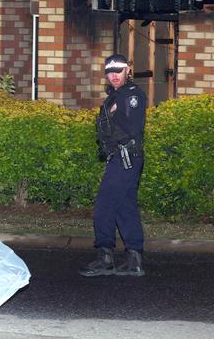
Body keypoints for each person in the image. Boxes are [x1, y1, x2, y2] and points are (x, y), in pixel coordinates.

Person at [79, 54, 147, 277]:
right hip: (119, 157)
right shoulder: (115, 97)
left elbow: (134, 127)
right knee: (125, 207)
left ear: (128, 70)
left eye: (118, 70)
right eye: (110, 72)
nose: (114, 75)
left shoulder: (132, 94)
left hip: (126, 157)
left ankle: (105, 257)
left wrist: (116, 114)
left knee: (104, 206)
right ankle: (134, 260)